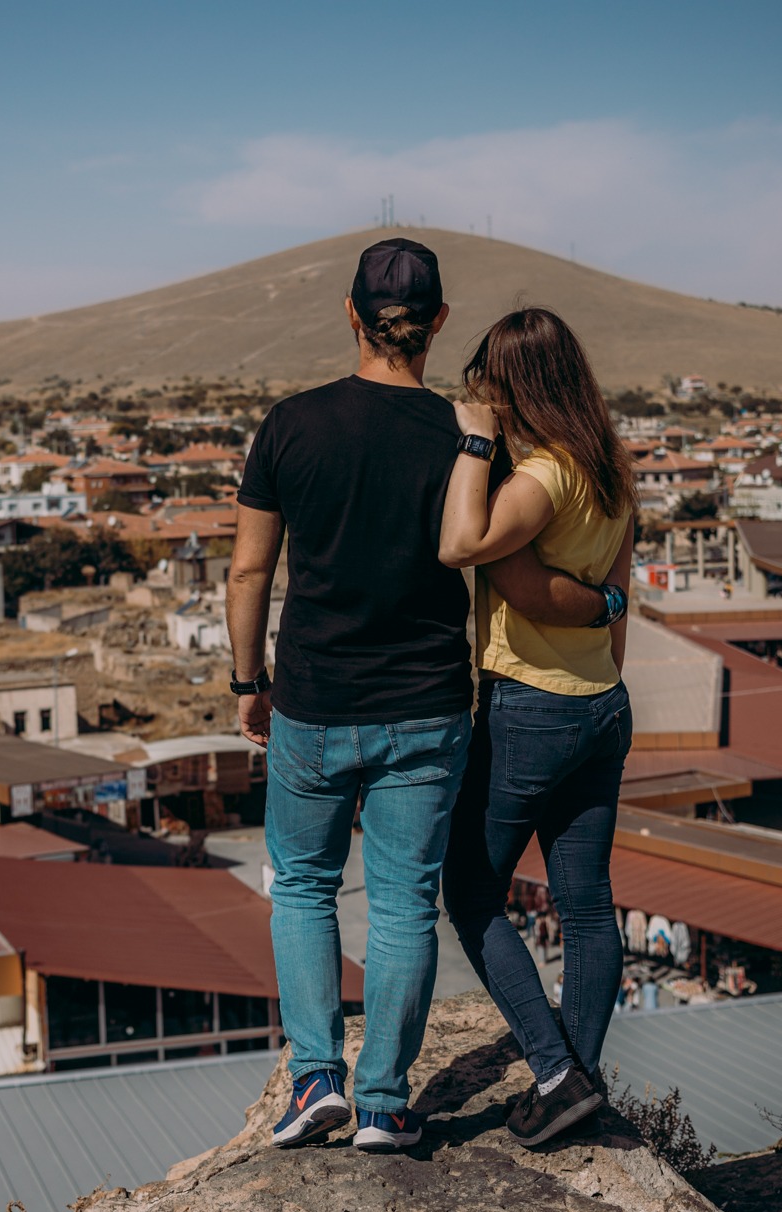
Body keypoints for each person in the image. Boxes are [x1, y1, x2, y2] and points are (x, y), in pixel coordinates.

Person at [228, 241, 608, 1154]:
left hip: (314, 698)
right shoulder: (470, 437)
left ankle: (314, 1079)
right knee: (403, 902)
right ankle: (383, 1105)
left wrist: (248, 682)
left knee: (304, 885)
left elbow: (248, 570)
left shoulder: (290, 423)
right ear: (438, 323)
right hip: (429, 707)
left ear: (351, 315)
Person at [437, 306, 638, 1148]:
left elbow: (460, 544)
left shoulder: (545, 475)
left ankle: (555, 1074)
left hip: (531, 705)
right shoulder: (611, 468)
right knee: (587, 906)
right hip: (602, 703)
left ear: (516, 384)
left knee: (471, 891)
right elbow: (619, 599)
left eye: (490, 382)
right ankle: (576, 1084)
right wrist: (601, 667)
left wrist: (475, 441)